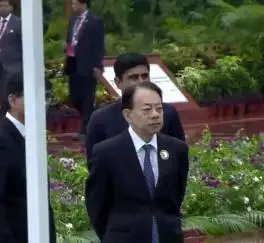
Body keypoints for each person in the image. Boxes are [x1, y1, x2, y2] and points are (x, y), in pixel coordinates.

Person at [85, 82, 189, 243]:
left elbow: (177, 194)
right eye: (147, 110)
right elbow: (97, 205)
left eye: (159, 108)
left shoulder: (177, 149)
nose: (155, 115)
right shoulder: (106, 152)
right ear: (128, 115)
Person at [0, 72, 56, 243]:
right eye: (36, 96)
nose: (43, 103)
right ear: (13, 100)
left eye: (47, 97)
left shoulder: (34, 136)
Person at [86, 53, 185, 160]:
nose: (141, 82)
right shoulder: (101, 119)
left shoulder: (167, 112)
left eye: (145, 76)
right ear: (118, 82)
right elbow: (95, 164)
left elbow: (179, 156)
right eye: (133, 78)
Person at [63, 0, 104, 138]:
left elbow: (99, 45)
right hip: (73, 63)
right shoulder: (73, 19)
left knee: (87, 98)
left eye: (75, 3)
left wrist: (98, 66)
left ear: (83, 4)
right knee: (74, 97)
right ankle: (86, 121)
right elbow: (70, 38)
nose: (73, 6)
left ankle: (85, 130)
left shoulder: (94, 21)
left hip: (88, 65)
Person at [0, 0, 23, 115]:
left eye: (5, 6)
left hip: (15, 69)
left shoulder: (19, 23)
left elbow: (24, 45)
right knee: (3, 100)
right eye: (0, 6)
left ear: (11, 7)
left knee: (14, 99)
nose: (2, 8)